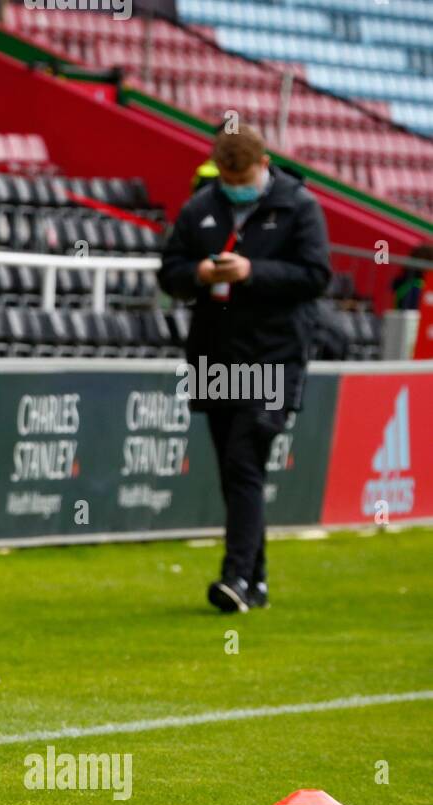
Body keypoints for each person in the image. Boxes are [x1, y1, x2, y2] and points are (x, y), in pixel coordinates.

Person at [160, 125, 330, 613]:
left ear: (263, 164)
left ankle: (234, 576)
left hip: (275, 355)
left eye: (243, 175)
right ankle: (254, 583)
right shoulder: (201, 208)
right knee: (236, 470)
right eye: (227, 176)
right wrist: (198, 273)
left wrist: (253, 272)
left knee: (243, 457)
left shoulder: (299, 207)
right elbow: (169, 271)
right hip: (216, 353)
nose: (235, 185)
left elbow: (316, 275)